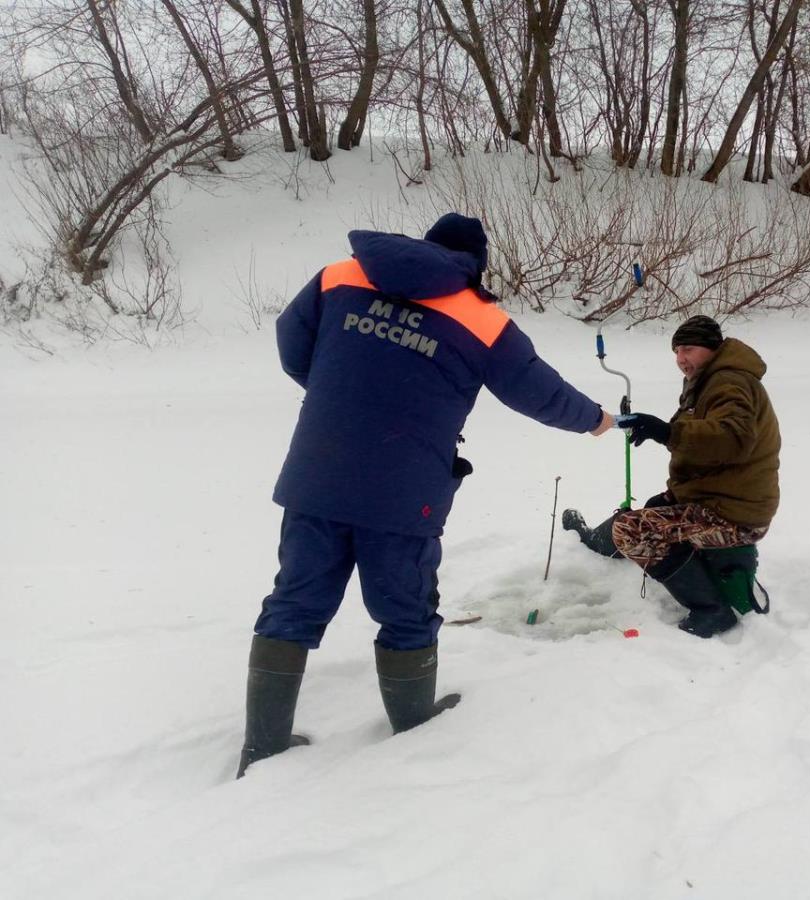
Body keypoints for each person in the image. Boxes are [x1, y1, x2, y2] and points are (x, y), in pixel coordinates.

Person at [237, 213, 614, 778]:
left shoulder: (342, 276)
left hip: (319, 471)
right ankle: (414, 732)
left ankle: (260, 749)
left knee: (293, 600)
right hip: (404, 489)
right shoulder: (480, 317)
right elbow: (538, 391)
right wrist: (595, 420)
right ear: (474, 264)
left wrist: (342, 394)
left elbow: (294, 344)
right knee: (406, 607)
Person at [561, 315, 779, 638]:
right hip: (719, 498)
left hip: (735, 515)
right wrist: (661, 431)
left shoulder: (730, 383)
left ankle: (712, 610)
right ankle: (599, 543)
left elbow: (731, 439)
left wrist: (666, 431)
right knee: (652, 509)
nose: (680, 359)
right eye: (676, 351)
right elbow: (704, 440)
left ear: (711, 347)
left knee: (633, 531)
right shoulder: (710, 379)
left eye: (688, 349)